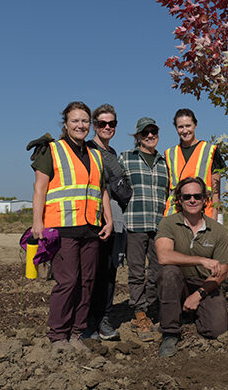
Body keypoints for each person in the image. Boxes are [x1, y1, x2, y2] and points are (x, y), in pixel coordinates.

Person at [30, 101, 113, 353]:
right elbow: (39, 189)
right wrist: (37, 223)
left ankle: (77, 333)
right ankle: (58, 336)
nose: (81, 125)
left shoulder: (97, 154)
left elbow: (102, 190)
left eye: (85, 121)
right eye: (75, 120)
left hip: (90, 228)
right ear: (65, 124)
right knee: (68, 282)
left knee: (87, 282)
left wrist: (108, 219)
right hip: (61, 227)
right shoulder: (51, 150)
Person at [154, 177, 228, 357]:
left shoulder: (217, 230)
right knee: (169, 273)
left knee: (217, 330)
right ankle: (170, 332)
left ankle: (191, 313)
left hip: (205, 284)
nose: (192, 200)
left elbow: (222, 272)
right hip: (177, 282)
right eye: (187, 197)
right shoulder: (168, 223)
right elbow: (164, 256)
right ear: (179, 200)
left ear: (205, 199)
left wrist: (199, 295)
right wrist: (201, 260)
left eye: (197, 196)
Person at [84, 103, 132, 341]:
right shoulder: (87, 149)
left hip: (114, 221)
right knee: (91, 273)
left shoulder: (112, 154)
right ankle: (87, 322)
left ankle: (103, 319)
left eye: (111, 124)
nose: (107, 127)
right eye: (102, 123)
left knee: (109, 272)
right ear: (94, 125)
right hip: (92, 221)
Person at [119, 117, 170, 342]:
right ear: (138, 136)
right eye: (145, 132)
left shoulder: (164, 161)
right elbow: (113, 186)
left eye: (153, 131)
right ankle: (140, 314)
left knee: (158, 271)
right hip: (135, 224)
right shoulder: (126, 158)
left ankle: (147, 307)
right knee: (137, 272)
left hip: (159, 225)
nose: (150, 135)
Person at [164, 109, 225, 220]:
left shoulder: (210, 150)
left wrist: (214, 217)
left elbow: (216, 191)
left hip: (203, 212)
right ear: (176, 128)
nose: (185, 130)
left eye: (188, 126)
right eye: (181, 127)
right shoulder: (169, 153)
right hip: (175, 214)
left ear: (195, 125)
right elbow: (169, 189)